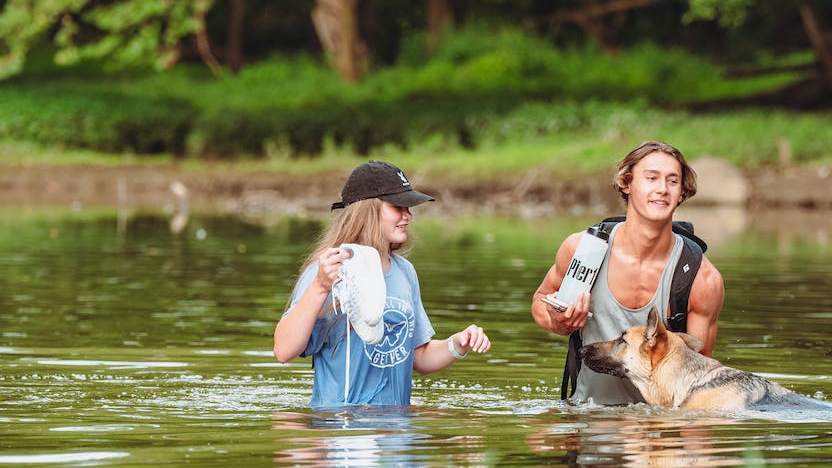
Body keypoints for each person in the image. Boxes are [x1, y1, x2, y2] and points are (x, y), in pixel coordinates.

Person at [274, 159, 490, 408]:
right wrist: (321, 286)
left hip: (397, 435)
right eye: (398, 206)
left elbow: (418, 357)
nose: (408, 215)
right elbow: (283, 350)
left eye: (408, 208)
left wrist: (457, 343)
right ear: (366, 211)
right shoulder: (328, 270)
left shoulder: (404, 272)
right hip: (342, 429)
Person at [531, 140, 724, 404]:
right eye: (651, 178)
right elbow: (540, 303)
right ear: (627, 183)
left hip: (655, 435)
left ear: (682, 192)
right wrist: (559, 322)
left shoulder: (701, 279)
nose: (662, 189)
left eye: (672, 181)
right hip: (584, 423)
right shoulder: (582, 250)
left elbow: (701, 383)